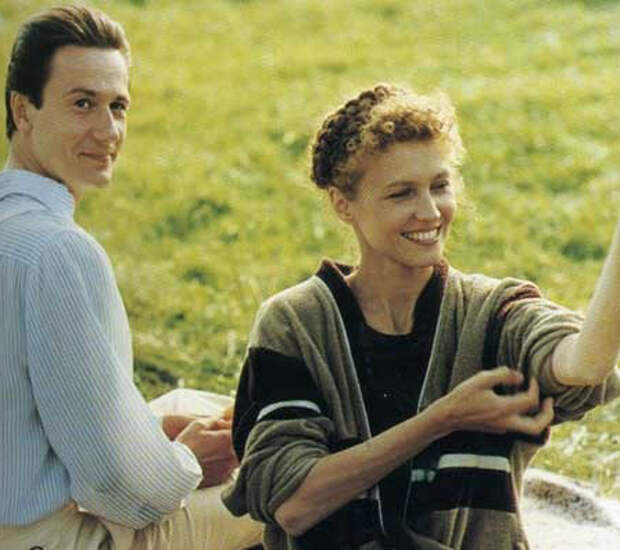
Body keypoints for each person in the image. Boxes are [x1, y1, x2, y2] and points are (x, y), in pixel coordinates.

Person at [222, 83, 620, 550]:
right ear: (343, 204)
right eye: (401, 194)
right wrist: (442, 419)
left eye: (440, 185)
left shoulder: (492, 313)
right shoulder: (296, 323)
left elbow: (584, 365)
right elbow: (293, 503)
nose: (430, 212)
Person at [0, 5, 260, 550]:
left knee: (192, 403)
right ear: (23, 110)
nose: (108, 131)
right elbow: (123, 490)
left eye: (117, 106)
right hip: (46, 538)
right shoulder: (58, 252)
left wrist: (156, 438)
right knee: (291, 475)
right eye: (82, 104)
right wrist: (188, 461)